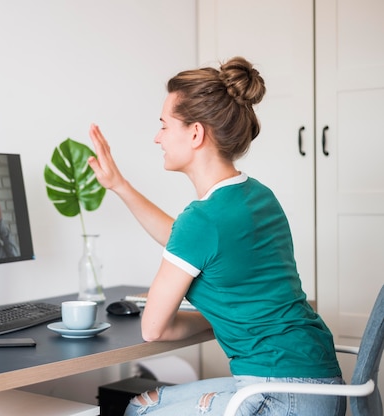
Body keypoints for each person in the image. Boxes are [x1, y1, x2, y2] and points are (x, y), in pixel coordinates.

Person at [88, 57, 344, 416]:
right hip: (319, 383)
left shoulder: (202, 220)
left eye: (164, 125)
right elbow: (187, 240)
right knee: (143, 402)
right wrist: (120, 186)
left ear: (195, 133)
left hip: (281, 395)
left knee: (138, 412)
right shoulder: (256, 195)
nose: (157, 137)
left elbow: (153, 328)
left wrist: (216, 317)